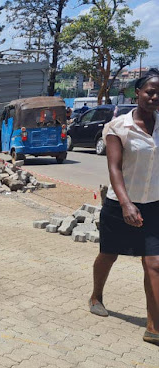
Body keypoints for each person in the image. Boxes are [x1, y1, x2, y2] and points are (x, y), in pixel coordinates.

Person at [88, 69, 159, 345]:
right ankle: (96, 295)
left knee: (153, 263)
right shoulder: (118, 127)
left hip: (154, 205)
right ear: (137, 93)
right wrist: (127, 203)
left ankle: (153, 325)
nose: (154, 96)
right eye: (150, 91)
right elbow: (114, 168)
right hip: (121, 206)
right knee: (108, 255)